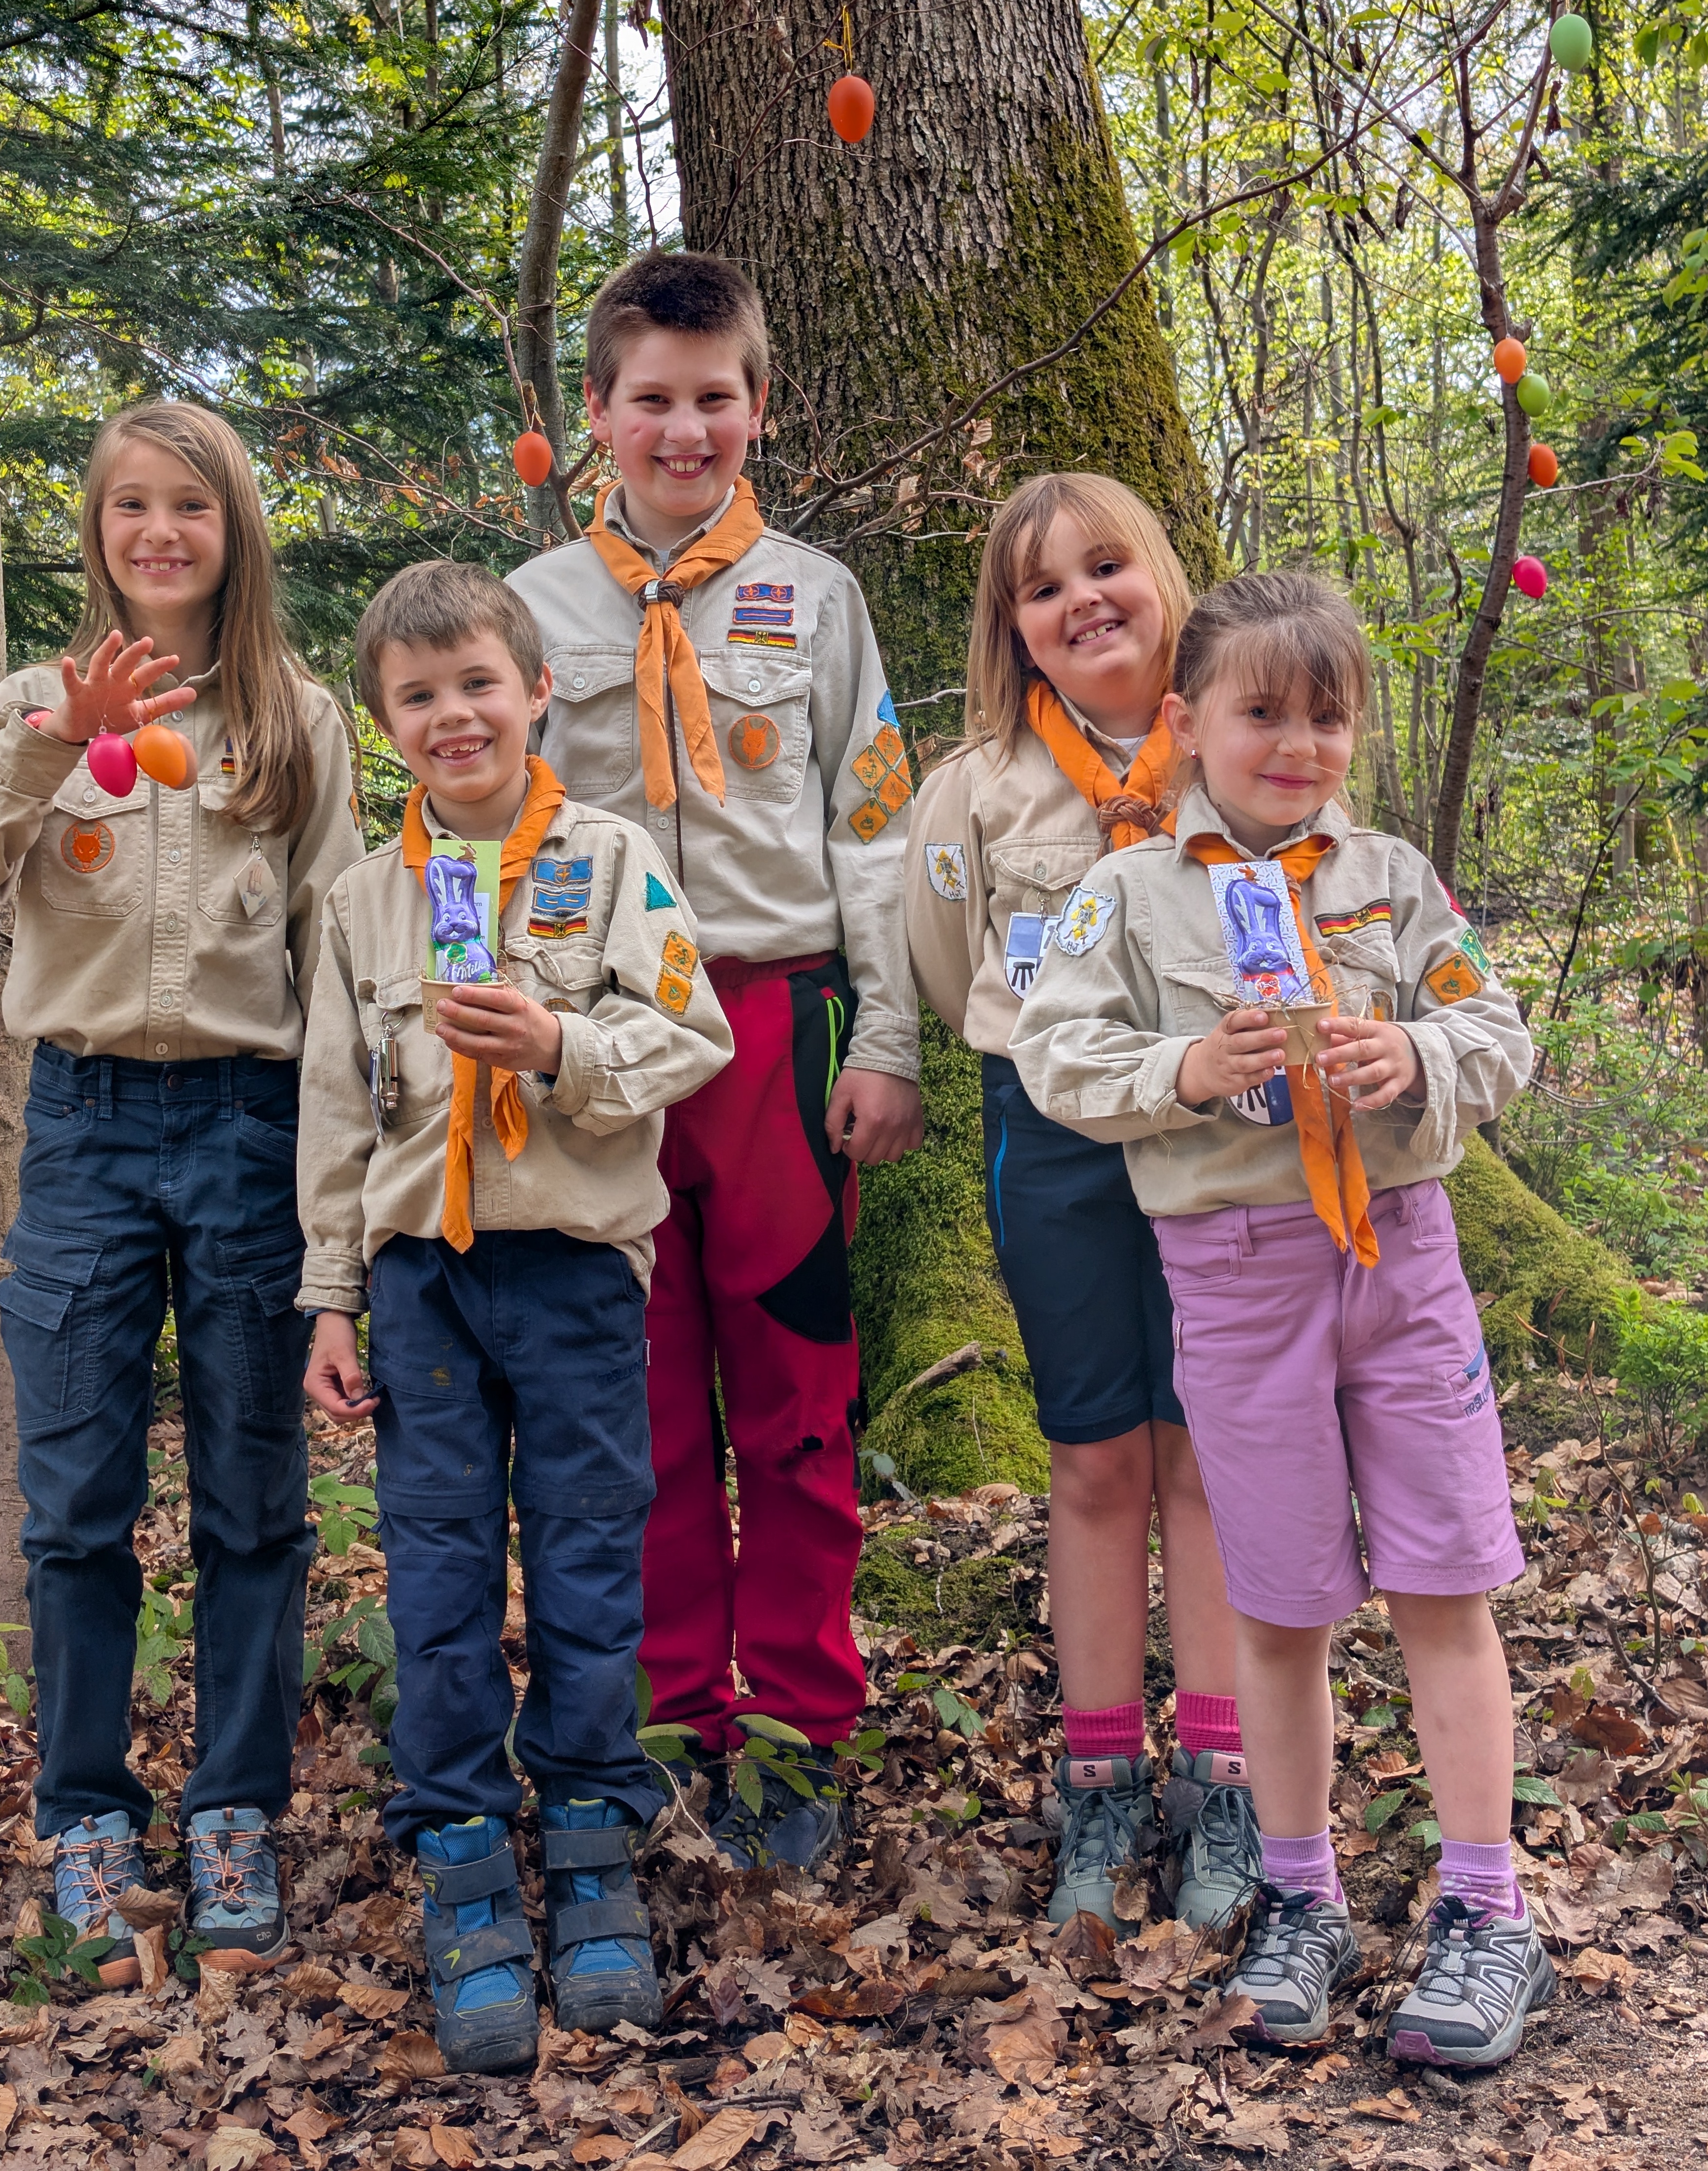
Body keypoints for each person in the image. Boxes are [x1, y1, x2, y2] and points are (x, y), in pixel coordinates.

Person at [1009, 570, 1549, 2067]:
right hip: (1236, 1280)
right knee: (1286, 1602)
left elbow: (1496, 1025)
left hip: (1401, 1261)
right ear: (1187, 724)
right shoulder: (1123, 896)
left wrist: (1421, 1058)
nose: (1297, 744)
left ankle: (1489, 1909)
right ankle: (1302, 1898)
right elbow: (1057, 1059)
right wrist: (1186, 1073)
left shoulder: (1390, 878)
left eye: (1328, 716)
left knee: (1447, 1579)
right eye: (1263, 713)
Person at [0, 401, 363, 1980]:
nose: (160, 534)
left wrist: (332, 1201)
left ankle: (234, 1808)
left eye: (192, 508)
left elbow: (340, 967)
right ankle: (86, 1814)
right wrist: (46, 738)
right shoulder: (34, 703)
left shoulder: (298, 719)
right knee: (77, 1506)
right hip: (83, 1132)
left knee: (254, 1503)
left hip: (248, 1126)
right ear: (93, 532)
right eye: (130, 508)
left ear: (236, 529)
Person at [506, 250, 923, 1872]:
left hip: (774, 1025)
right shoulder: (530, 614)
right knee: (637, 1404)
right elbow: (488, 830)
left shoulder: (817, 599)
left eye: (716, 398)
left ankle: (803, 1722)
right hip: (599, 1042)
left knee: (799, 1400)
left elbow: (874, 828)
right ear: (596, 415)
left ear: (759, 406)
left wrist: (885, 1035)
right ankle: (669, 1706)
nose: (687, 430)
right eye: (654, 401)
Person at [299, 561, 734, 2073]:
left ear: (538, 690)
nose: (453, 716)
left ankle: (595, 1831)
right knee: (433, 1563)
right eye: (418, 698)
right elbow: (336, 1115)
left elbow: (696, 1031)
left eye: (477, 683)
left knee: (589, 1548)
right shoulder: (366, 899)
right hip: (421, 1275)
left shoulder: (612, 864)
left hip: (572, 1268)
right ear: (387, 726)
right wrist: (329, 1299)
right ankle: (464, 1844)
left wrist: (560, 1042)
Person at [905, 474, 1256, 1934]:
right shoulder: (975, 787)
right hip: (1052, 1142)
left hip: (1223, 1137)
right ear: (1019, 634)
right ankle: (1103, 1785)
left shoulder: (1237, 742)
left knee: (1214, 1458)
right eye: (1045, 591)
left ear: (1161, 578)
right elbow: (942, 961)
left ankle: (1231, 1780)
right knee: (1098, 1456)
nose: (1084, 602)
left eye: (1107, 567)